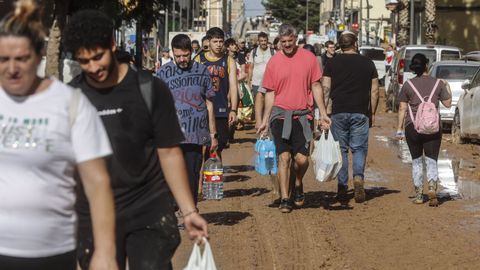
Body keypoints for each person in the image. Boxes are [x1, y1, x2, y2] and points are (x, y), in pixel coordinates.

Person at [63, 10, 208, 270]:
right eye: (84, 61)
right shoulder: (71, 97)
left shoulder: (150, 89)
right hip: (93, 213)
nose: (94, 68)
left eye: (98, 56)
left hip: (148, 207)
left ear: (112, 45)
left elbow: (169, 152)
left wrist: (189, 211)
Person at [0, 1, 117, 270]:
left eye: (21, 59)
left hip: (51, 250)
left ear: (39, 56)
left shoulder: (71, 104)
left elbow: (98, 184)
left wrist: (105, 252)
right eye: (3, 59)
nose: (12, 68)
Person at [257, 24, 331, 213]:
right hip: (280, 116)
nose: (287, 45)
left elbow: (316, 86)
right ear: (279, 42)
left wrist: (322, 113)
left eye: (290, 41)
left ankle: (297, 181)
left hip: (303, 116)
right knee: (284, 157)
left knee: (302, 160)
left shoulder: (309, 58)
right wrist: (265, 119)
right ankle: (285, 198)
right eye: (284, 42)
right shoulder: (273, 62)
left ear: (296, 39)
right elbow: (270, 93)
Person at [156, 34, 217, 205]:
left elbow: (209, 104)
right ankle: (177, 207)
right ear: (173, 54)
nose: (182, 59)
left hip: (196, 134)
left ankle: (190, 211)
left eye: (185, 55)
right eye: (178, 56)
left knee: (191, 175)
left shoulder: (202, 71)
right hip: (171, 135)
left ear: (191, 51)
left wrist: (213, 134)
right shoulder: (163, 73)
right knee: (170, 175)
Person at [322, 31, 379, 205]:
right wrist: (372, 112)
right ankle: (359, 179)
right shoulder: (368, 63)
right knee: (359, 149)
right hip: (360, 111)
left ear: (340, 45)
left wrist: (324, 112)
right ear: (355, 44)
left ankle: (342, 186)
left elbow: (325, 89)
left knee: (341, 150)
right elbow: (375, 91)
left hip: (338, 112)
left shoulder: (332, 63)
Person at [396, 53, 452, 206]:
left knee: (416, 160)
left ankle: (419, 194)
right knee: (432, 159)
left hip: (412, 127)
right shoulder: (438, 83)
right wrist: (447, 86)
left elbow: (402, 108)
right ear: (427, 65)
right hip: (433, 128)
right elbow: (448, 104)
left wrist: (399, 129)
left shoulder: (408, 85)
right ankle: (432, 187)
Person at [195, 27, 238, 159]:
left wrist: (234, 110)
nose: (219, 44)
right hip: (202, 109)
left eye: (221, 41)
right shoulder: (199, 59)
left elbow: (233, 86)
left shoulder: (229, 60)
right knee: (204, 146)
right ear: (208, 42)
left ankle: (213, 172)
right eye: (215, 41)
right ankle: (206, 176)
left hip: (221, 108)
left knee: (221, 143)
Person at [249, 32, 275, 130]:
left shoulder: (273, 52)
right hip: (256, 82)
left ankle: (267, 123)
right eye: (261, 41)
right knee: (258, 103)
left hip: (269, 83)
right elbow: (251, 67)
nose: (263, 43)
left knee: (268, 103)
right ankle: (259, 123)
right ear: (258, 41)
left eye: (265, 41)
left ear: (267, 41)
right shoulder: (254, 52)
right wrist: (249, 81)